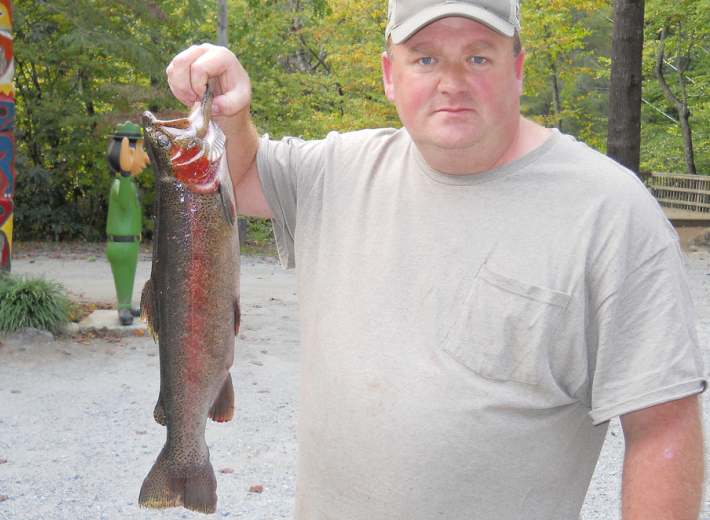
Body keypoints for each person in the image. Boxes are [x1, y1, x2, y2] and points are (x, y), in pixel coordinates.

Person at [166, 0, 706, 518]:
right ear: (389, 73)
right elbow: (228, 179)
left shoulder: (611, 213)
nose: (451, 81)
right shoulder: (337, 171)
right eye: (425, 57)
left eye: (477, 56)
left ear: (517, 68)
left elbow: (664, 427)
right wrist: (228, 109)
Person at [105, 121, 150, 326]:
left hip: (129, 242)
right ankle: (123, 308)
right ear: (126, 154)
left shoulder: (129, 184)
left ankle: (125, 304)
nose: (146, 157)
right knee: (123, 273)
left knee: (128, 275)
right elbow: (124, 202)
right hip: (121, 243)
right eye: (141, 149)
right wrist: (124, 173)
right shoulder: (120, 184)